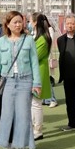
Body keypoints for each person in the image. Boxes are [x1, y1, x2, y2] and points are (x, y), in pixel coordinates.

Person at [0, 11, 40, 149]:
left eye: (20, 22)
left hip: (25, 80)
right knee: (7, 114)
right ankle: (9, 146)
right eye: (15, 22)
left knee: (23, 114)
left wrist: (37, 83)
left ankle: (21, 146)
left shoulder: (28, 40)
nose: (18, 25)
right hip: (8, 81)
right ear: (8, 25)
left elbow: (34, 63)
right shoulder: (1, 41)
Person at [30, 12, 52, 141]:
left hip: (38, 72)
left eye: (30, 21)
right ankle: (35, 128)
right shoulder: (39, 37)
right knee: (34, 103)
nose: (29, 23)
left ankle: (37, 130)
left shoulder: (42, 39)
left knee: (36, 103)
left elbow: (34, 57)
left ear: (35, 23)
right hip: (36, 71)